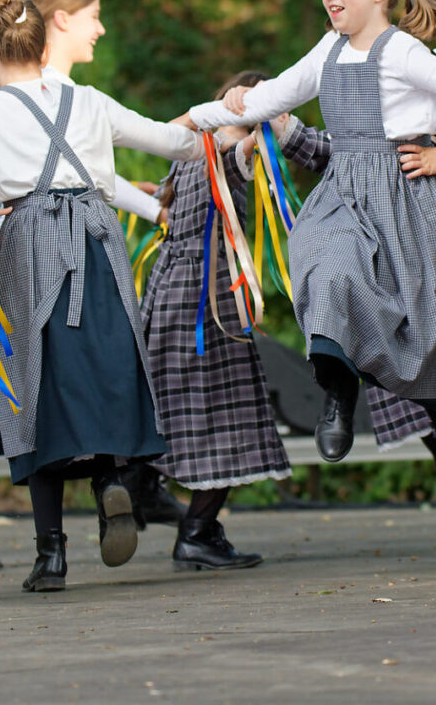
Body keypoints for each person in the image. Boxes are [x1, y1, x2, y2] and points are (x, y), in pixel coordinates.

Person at [184, 0, 436, 570]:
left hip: (413, 203)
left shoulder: (403, 51)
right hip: (344, 195)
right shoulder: (328, 50)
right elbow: (268, 98)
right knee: (324, 270)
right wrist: (197, 117)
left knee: (429, 354)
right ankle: (337, 393)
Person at [0, 0, 201, 592]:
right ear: (44, 46)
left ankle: (49, 556)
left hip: (32, 250)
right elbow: (171, 142)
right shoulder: (90, 100)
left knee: (36, 388)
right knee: (102, 369)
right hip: (99, 247)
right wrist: (215, 117)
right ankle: (110, 483)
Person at [274, 119, 436, 565]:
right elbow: (319, 149)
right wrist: (280, 120)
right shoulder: (367, 138)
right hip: (390, 308)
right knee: (433, 423)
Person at [142, 72, 292, 570]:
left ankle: (137, 487)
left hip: (165, 289)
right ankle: (197, 531)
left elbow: (163, 202)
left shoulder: (189, 147)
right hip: (212, 298)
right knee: (231, 415)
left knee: (164, 403)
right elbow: (249, 148)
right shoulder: (237, 149)